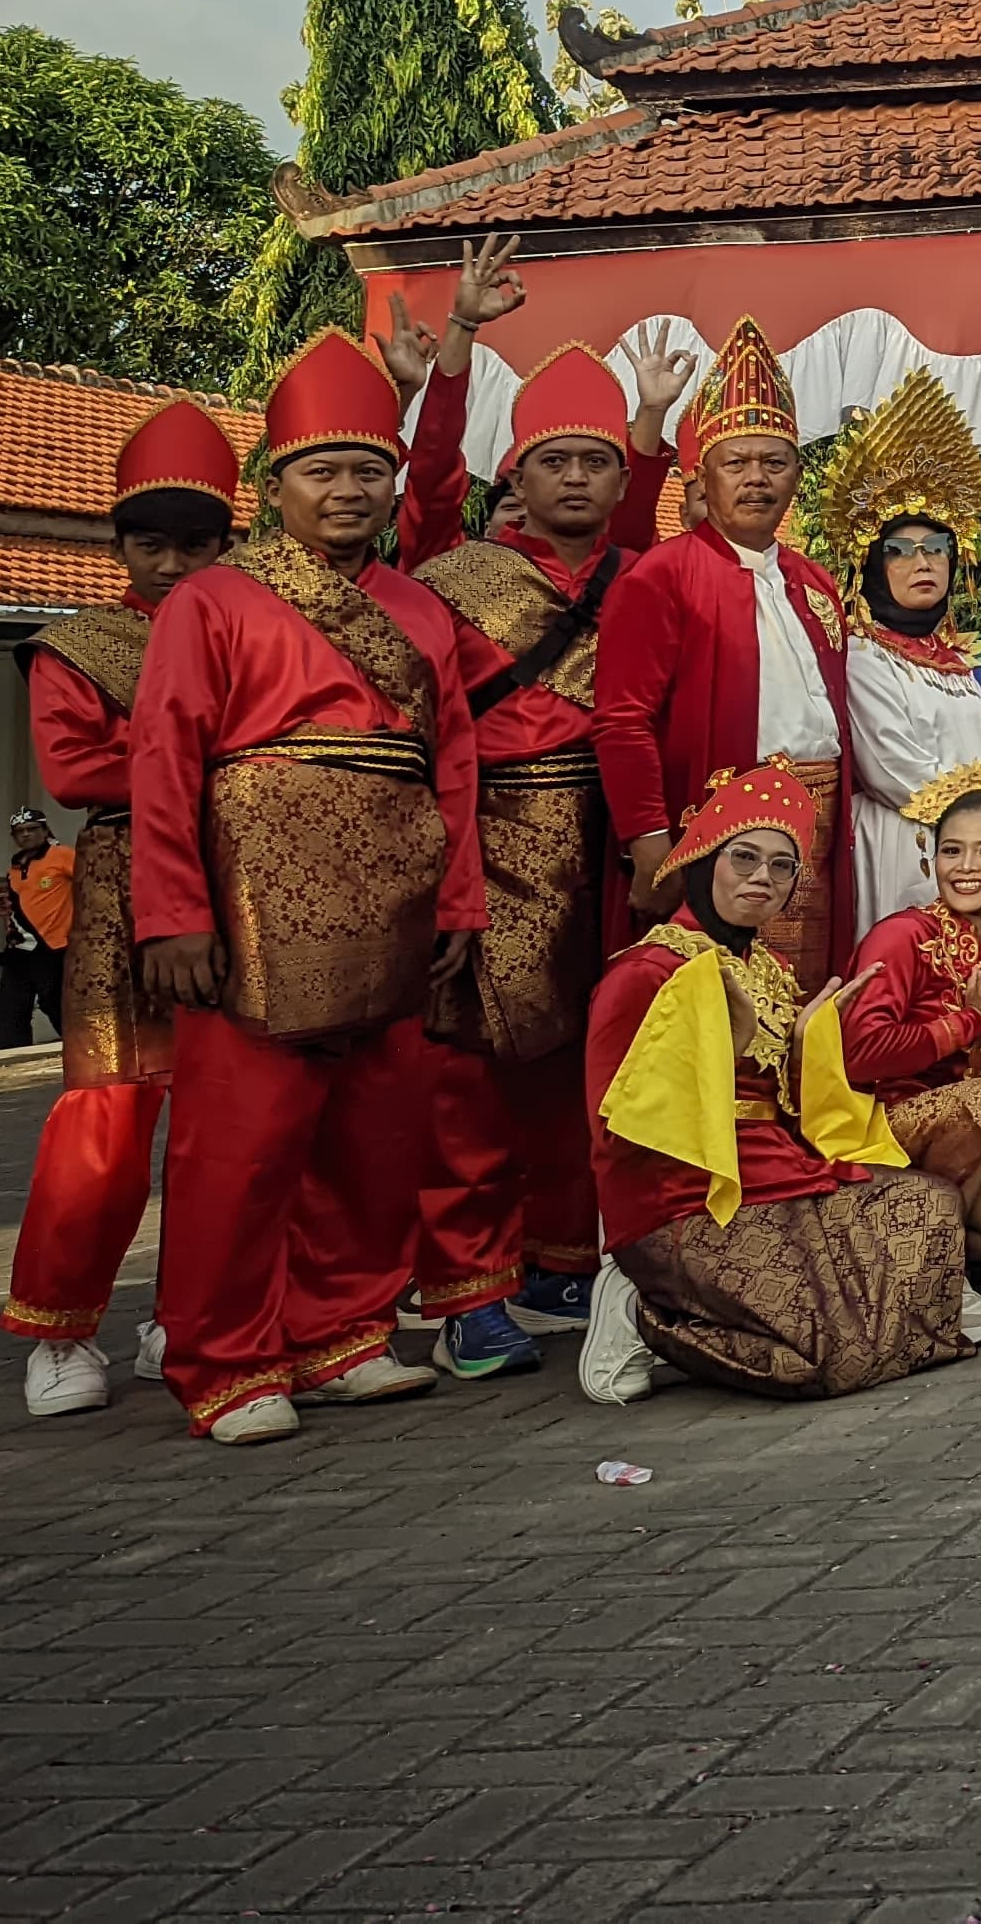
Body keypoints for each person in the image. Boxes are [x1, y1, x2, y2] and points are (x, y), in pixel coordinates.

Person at [131, 329, 482, 1443]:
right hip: (252, 901)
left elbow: (458, 767)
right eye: (320, 471)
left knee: (374, 1133)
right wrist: (173, 912)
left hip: (394, 888)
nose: (347, 490)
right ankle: (224, 1360)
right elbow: (166, 762)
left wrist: (462, 904)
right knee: (241, 1141)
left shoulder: (422, 610)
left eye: (367, 471)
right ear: (273, 485)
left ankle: (344, 1334)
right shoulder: (212, 603)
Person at [380, 246, 686, 1350]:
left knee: (579, 1059)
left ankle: (561, 1258)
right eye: (552, 461)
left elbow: (651, 522)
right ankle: (465, 1290)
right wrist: (454, 351)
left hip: (605, 834)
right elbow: (425, 491)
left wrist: (647, 424)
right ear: (517, 476)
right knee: (470, 1064)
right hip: (493, 826)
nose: (573, 479)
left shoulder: (638, 574)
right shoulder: (452, 570)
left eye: (594, 465)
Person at [580, 764, 981, 1405]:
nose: (761, 879)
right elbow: (615, 1129)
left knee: (929, 1206)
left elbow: (787, 1110)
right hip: (690, 1200)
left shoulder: (765, 968)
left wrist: (807, 1046)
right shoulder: (646, 970)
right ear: (705, 858)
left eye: (780, 867)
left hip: (787, 1179)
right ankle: (643, 1316)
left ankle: (856, 1324)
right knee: (831, 1362)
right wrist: (717, 1054)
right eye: (744, 858)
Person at [10, 400, 236, 1416]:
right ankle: (57, 1329)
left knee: (222, 1119)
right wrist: (209, 759)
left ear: (226, 544)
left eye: (196, 544)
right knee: (107, 1113)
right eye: (152, 543)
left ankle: (181, 1316)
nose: (173, 563)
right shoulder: (76, 647)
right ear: (121, 547)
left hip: (239, 883)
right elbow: (72, 768)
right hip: (120, 884)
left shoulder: (255, 632)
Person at [594, 318, 855, 982]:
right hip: (712, 828)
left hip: (815, 829)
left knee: (801, 996)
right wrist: (651, 844)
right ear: (702, 480)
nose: (756, 479)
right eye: (736, 463)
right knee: (717, 1001)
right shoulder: (662, 574)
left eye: (774, 462)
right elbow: (623, 720)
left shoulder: (814, 582)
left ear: (797, 475)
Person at [841, 755, 981, 1265]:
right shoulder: (902, 936)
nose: (966, 867)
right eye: (951, 851)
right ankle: (928, 1271)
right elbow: (860, 1053)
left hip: (960, 1141)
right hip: (879, 1128)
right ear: (929, 859)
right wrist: (970, 1021)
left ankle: (913, 1257)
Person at [804, 367, 981, 953]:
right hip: (903, 844)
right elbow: (893, 770)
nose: (924, 563)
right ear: (872, 565)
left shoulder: (958, 662)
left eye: (936, 549)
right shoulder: (863, 653)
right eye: (902, 551)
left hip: (975, 848)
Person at [0, 811, 65, 1047]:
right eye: (20, 831)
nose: (26, 834)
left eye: (32, 828)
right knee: (10, 1009)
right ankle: (9, 1064)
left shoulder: (63, 856)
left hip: (54, 947)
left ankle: (84, 1058)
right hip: (20, 949)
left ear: (45, 830)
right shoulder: (15, 867)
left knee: (55, 1003)